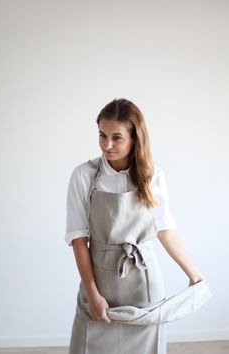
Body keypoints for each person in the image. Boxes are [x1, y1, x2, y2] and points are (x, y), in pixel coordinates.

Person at [65, 98, 207, 354]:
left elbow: (165, 230)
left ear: (135, 138)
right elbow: (78, 240)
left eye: (116, 137)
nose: (107, 145)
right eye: (102, 135)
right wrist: (93, 295)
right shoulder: (83, 176)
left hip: (144, 285)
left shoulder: (153, 177)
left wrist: (194, 274)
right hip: (99, 284)